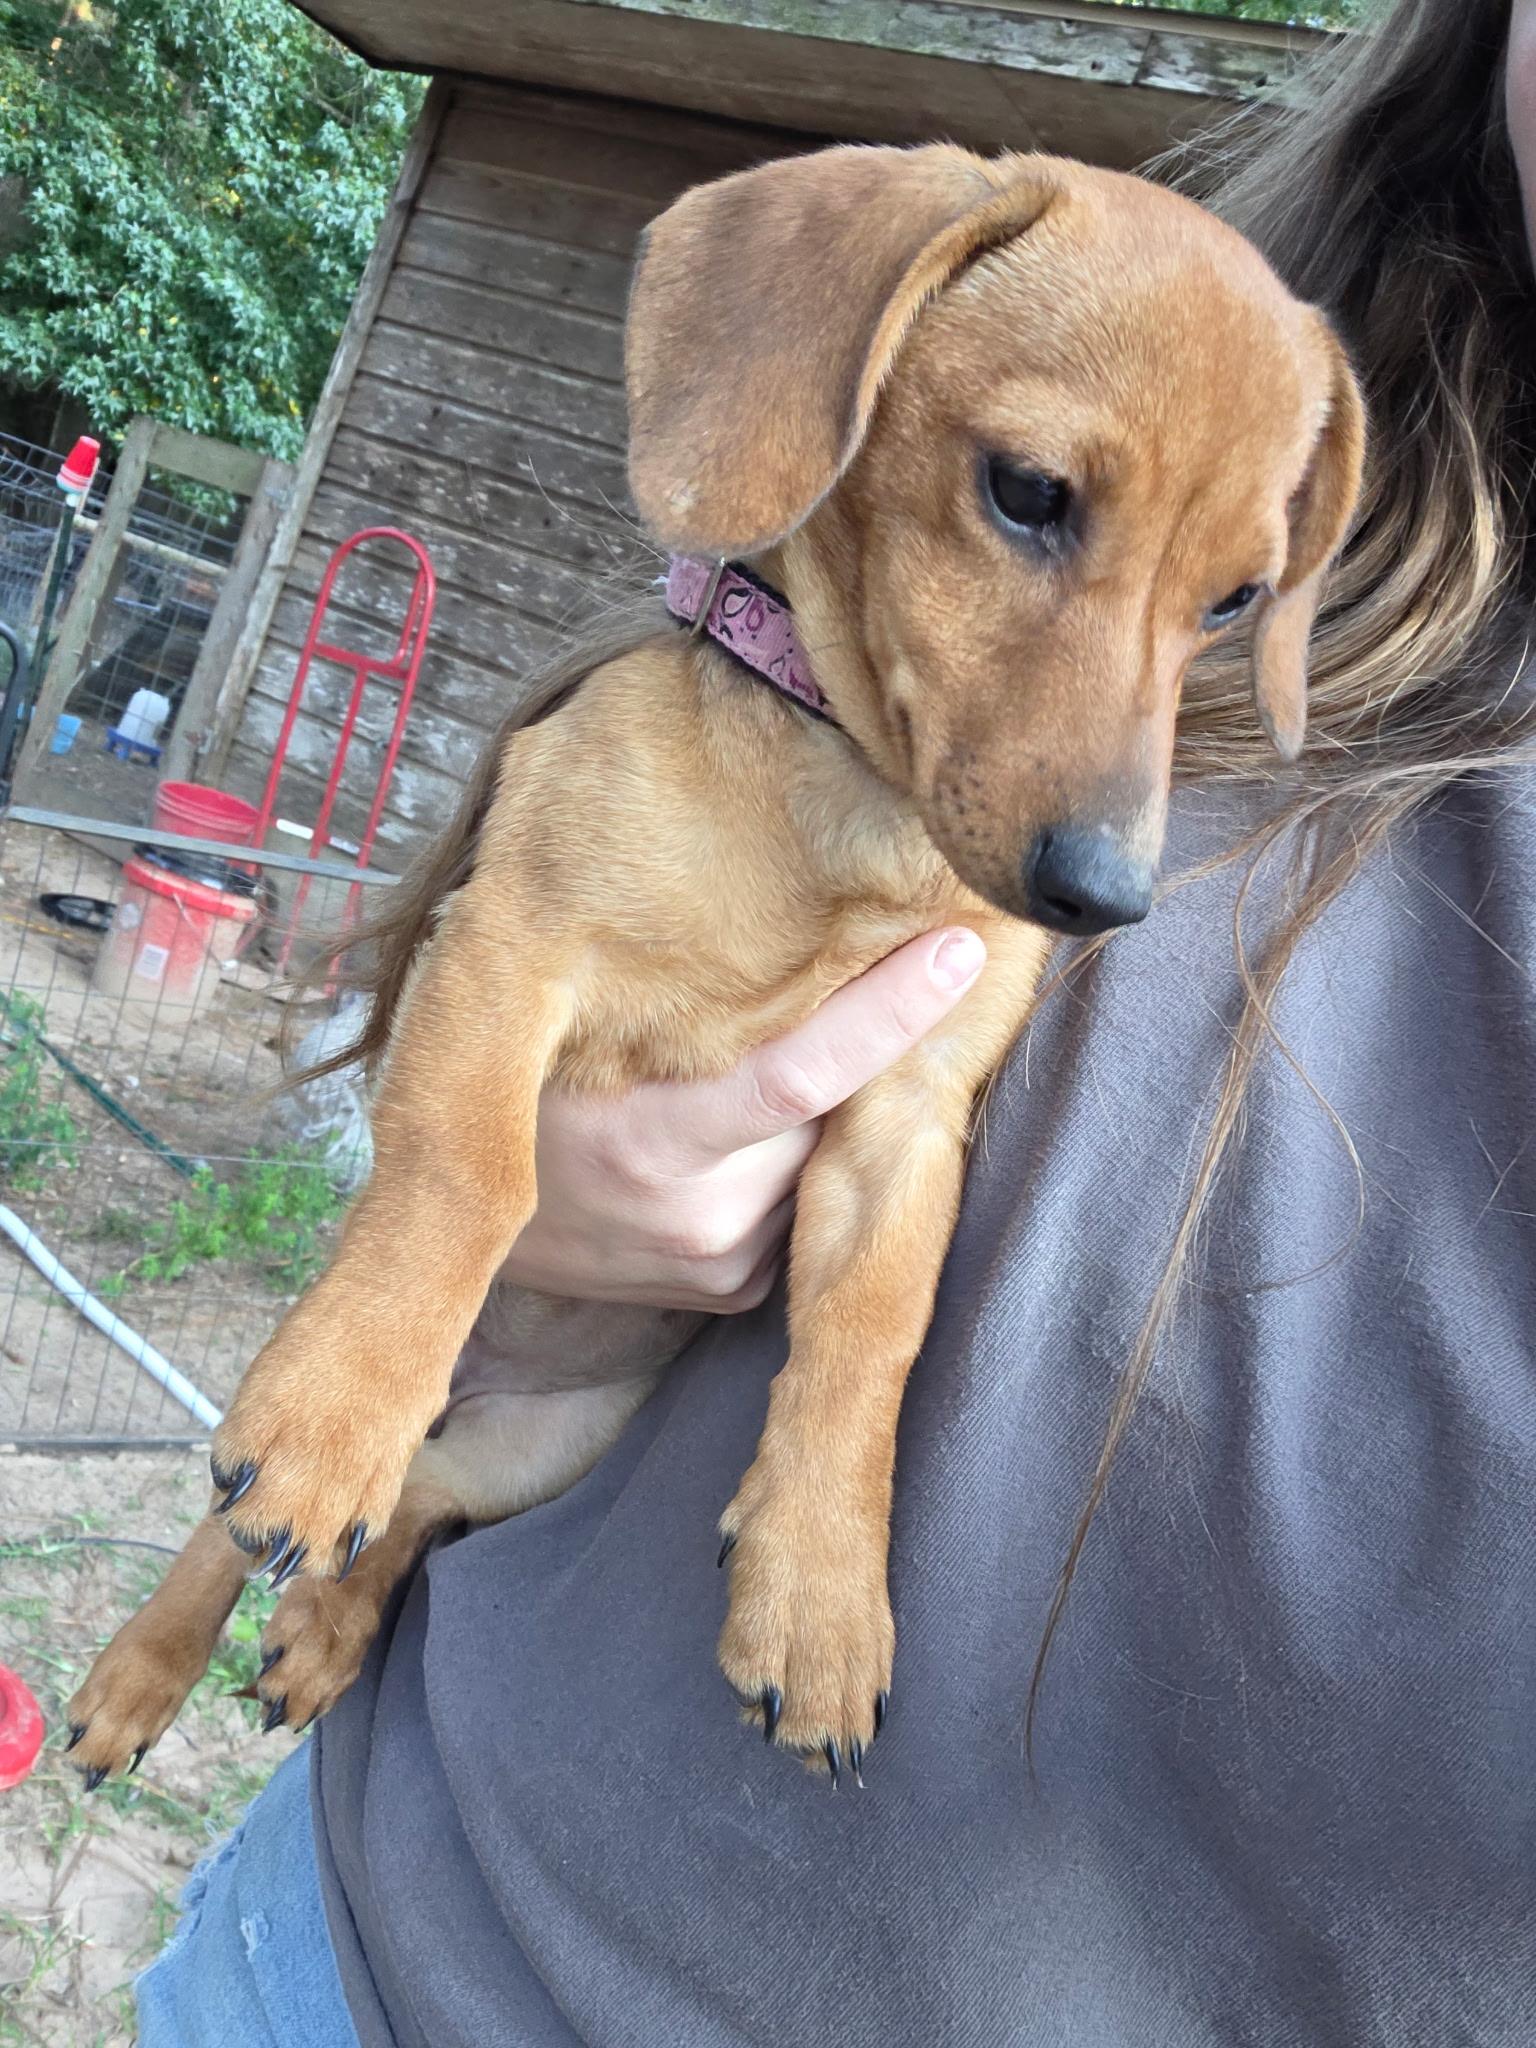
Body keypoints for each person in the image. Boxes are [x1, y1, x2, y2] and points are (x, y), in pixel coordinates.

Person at [136, 1, 1536, 2041]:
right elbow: (529, 941)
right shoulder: (1111, 329)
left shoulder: (1239, 446)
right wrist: (508, 1254)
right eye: (1036, 497)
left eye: (1228, 607)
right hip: (392, 1940)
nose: (1108, 806)